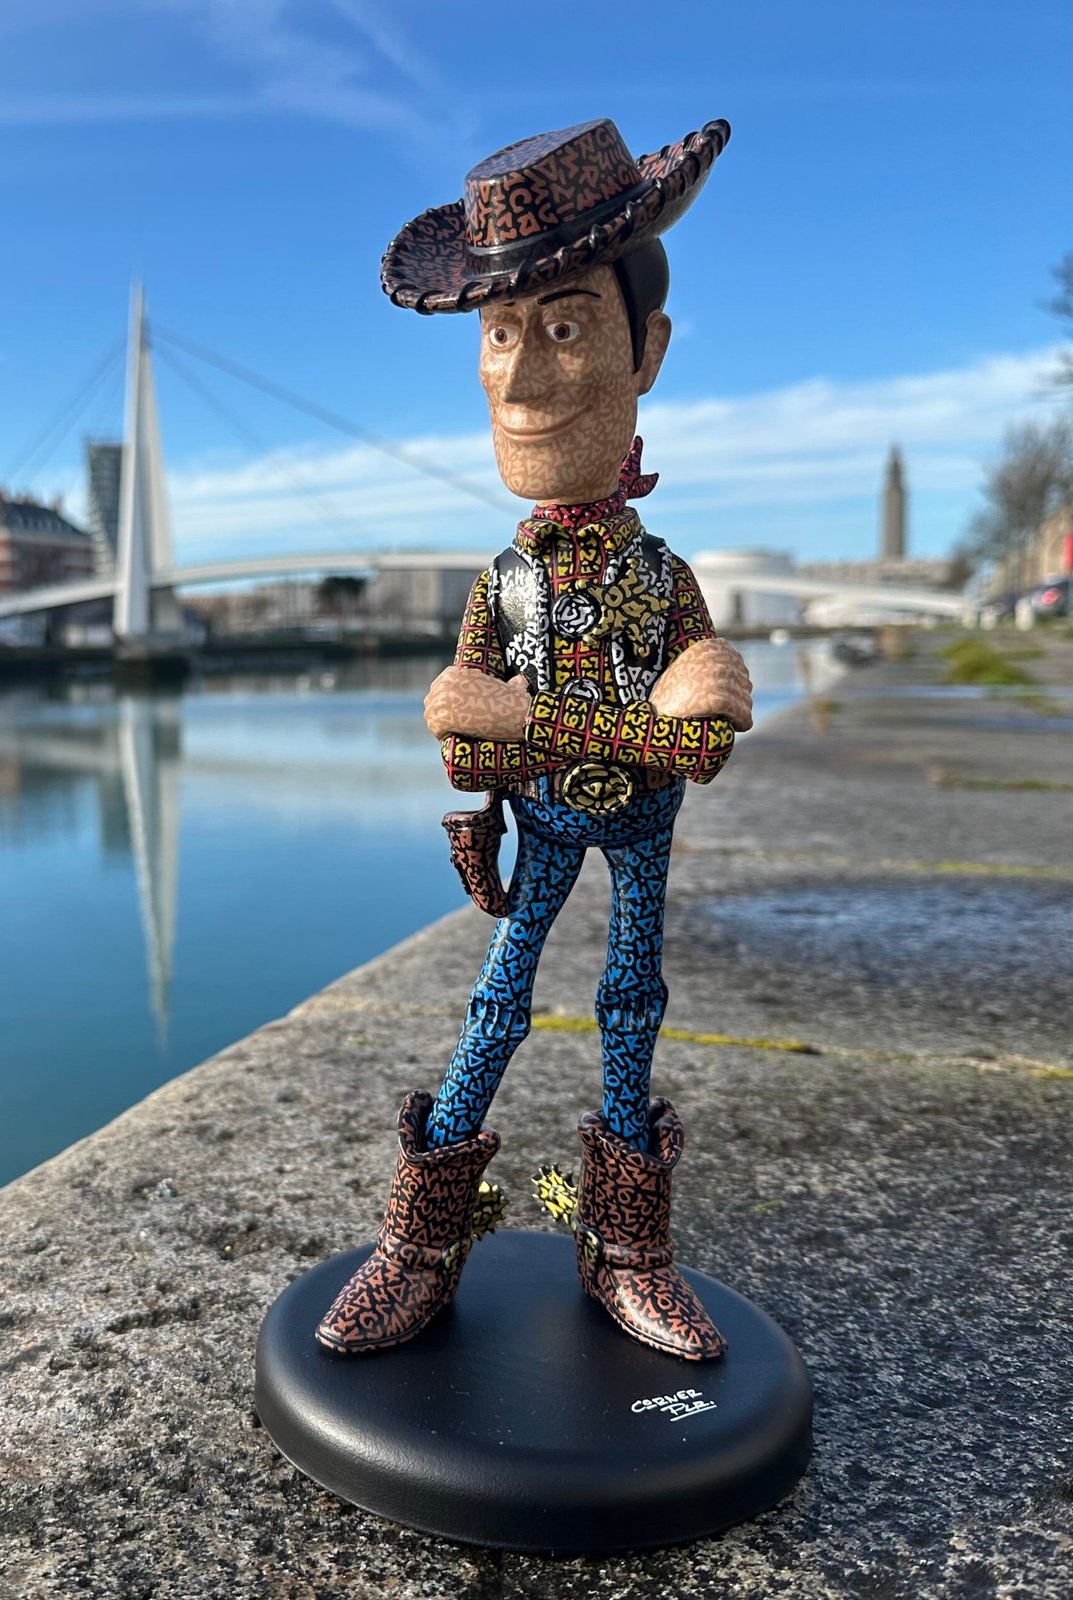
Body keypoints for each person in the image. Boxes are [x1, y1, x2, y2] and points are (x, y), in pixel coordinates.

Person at [317, 117, 753, 1362]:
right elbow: (479, 758)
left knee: (630, 997)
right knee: (498, 999)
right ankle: (420, 1243)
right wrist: (633, 725)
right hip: (558, 825)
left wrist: (527, 725)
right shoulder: (503, 587)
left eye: (562, 329)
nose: (516, 381)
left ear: (644, 350)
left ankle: (626, 1247)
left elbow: (696, 758)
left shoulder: (661, 581)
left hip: (624, 824)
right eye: (498, 335)